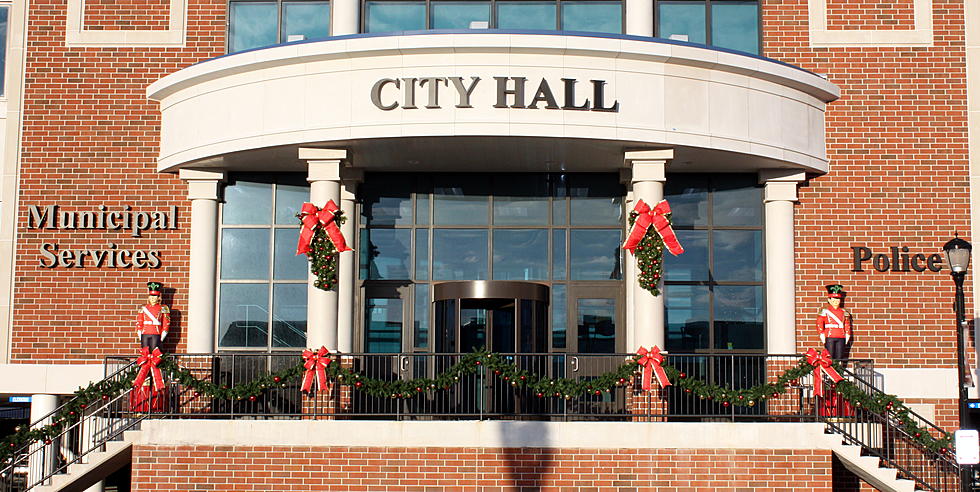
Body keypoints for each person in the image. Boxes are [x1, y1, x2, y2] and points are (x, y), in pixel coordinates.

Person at [816, 284, 851, 360]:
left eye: (838, 299)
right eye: (833, 300)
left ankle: (839, 371)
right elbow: (820, 323)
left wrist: (847, 333)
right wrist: (821, 333)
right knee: (829, 356)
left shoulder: (844, 312)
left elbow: (847, 324)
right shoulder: (825, 311)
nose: (836, 302)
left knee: (840, 357)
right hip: (829, 336)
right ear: (829, 300)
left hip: (841, 336)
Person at [137, 281, 170, 350]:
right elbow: (140, 321)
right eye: (151, 296)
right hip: (145, 332)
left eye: (155, 296)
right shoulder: (143, 308)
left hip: (156, 332)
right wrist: (139, 332)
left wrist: (163, 334)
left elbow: (166, 323)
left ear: (158, 298)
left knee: (155, 352)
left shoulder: (163, 308)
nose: (152, 298)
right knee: (145, 352)